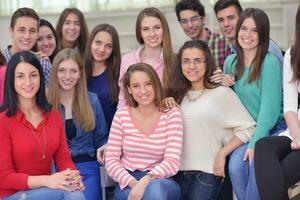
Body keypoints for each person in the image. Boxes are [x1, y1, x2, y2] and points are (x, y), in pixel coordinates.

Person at [168, 40, 255, 200]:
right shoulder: (176, 96)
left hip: (207, 174)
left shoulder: (221, 94)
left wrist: (222, 153)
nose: (191, 66)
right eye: (186, 61)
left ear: (207, 63)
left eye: (197, 60)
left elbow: (249, 127)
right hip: (175, 174)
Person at [0, 51, 85, 200]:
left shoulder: (54, 115)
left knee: (74, 191)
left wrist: (73, 177)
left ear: (40, 77)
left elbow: (63, 158)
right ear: (11, 80)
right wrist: (48, 180)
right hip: (13, 195)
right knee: (72, 195)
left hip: (48, 191)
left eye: (33, 75)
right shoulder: (3, 121)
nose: (28, 82)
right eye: (20, 76)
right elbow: (5, 177)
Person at [222, 8, 286, 200]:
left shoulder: (269, 62)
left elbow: (270, 110)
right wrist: (225, 85)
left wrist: (255, 143)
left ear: (263, 34)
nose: (247, 35)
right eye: (244, 29)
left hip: (273, 128)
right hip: (247, 129)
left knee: (252, 163)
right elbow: (230, 105)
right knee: (235, 166)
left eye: (254, 30)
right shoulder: (230, 62)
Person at [105, 63, 183, 200]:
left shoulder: (171, 114)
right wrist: (135, 184)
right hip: (129, 181)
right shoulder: (121, 116)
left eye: (148, 84)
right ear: (129, 89)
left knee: (154, 191)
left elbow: (172, 160)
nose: (143, 91)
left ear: (156, 84)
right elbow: (111, 161)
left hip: (161, 180)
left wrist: (146, 180)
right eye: (136, 86)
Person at [47, 49, 108, 200]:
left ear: (80, 73)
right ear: (55, 72)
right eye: (62, 70)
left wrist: (106, 148)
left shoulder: (92, 101)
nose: (68, 76)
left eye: (73, 71)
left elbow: (102, 140)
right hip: (55, 171)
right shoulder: (44, 104)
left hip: (88, 168)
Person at [254, 4, 300, 200]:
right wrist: (298, 137)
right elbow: (289, 107)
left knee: (276, 174)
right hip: (296, 131)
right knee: (263, 146)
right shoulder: (293, 54)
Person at [118, 7, 175, 108]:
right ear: (140, 33)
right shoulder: (127, 60)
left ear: (164, 29)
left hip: (166, 121)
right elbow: (123, 98)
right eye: (146, 29)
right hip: (134, 121)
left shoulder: (176, 61)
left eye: (157, 28)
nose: (152, 34)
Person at [213, 0, 283, 63]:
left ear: (241, 18)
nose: (226, 24)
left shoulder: (267, 47)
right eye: (221, 20)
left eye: (231, 18)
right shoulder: (230, 50)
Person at [84, 24, 121, 129]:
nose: (102, 49)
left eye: (108, 46)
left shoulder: (119, 72)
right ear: (90, 42)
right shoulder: (78, 70)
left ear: (114, 50)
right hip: (87, 138)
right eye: (98, 43)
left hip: (113, 137)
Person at [4, 7, 52, 86]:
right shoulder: (1, 60)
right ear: (11, 31)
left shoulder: (44, 64)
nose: (27, 36)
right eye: (22, 30)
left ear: (37, 34)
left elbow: (48, 97)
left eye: (32, 31)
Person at [175, 0, 230, 68]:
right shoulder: (184, 51)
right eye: (184, 21)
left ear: (203, 19)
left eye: (194, 19)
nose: (189, 25)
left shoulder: (224, 42)